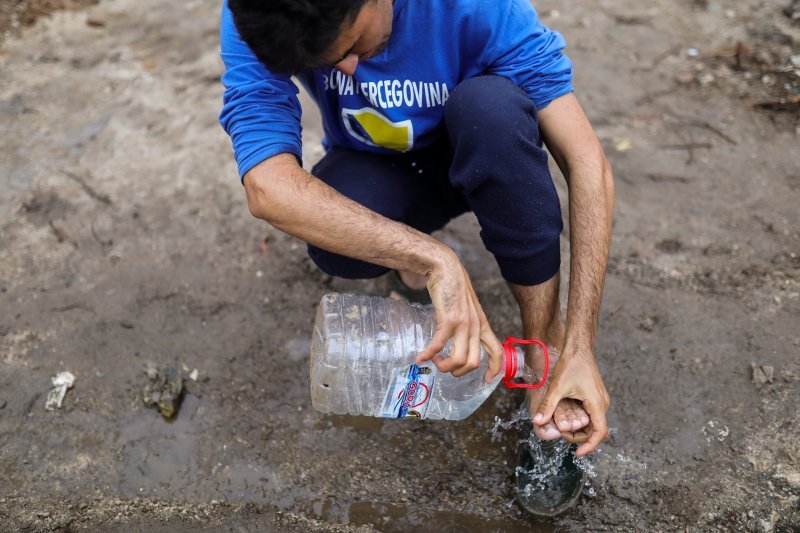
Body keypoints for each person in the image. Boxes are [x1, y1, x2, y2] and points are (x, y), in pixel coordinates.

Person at [219, 0, 614, 512]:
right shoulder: (258, 14)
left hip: (483, 144)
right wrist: (433, 259)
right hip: (378, 162)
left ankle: (545, 349)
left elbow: (587, 163)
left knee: (491, 109)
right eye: (323, 62)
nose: (348, 70)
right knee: (333, 229)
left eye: (357, 44)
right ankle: (410, 259)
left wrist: (582, 341)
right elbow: (268, 187)